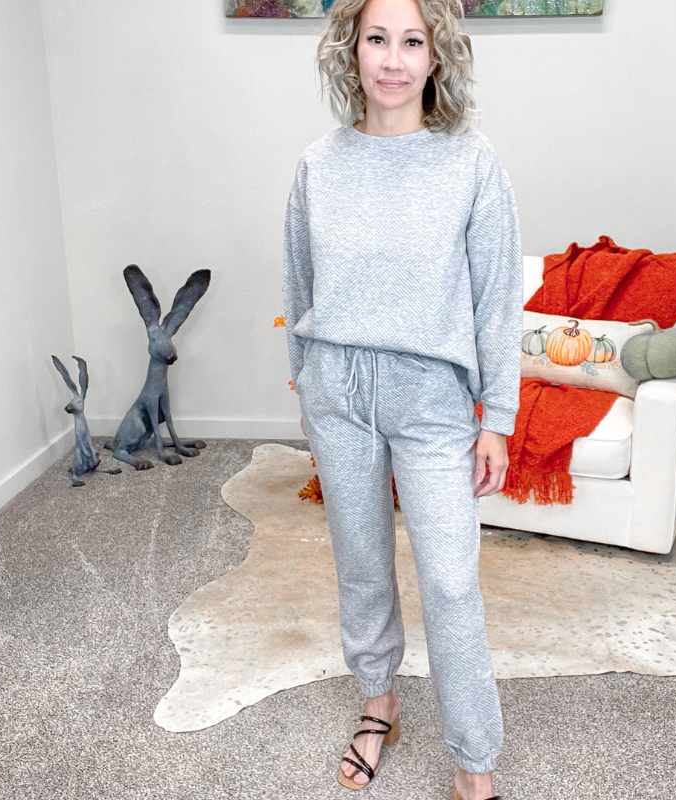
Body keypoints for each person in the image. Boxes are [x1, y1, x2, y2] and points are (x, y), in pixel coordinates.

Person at [282, 0, 522, 796]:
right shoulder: (319, 165)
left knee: (450, 582)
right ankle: (378, 700)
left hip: (431, 397)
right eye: (377, 39)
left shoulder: (471, 161)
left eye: (412, 41)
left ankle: (474, 763)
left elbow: (496, 300)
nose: (393, 59)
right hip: (338, 390)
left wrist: (498, 417)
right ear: (350, 51)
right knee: (361, 564)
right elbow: (299, 284)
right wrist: (307, 385)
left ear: (436, 55)